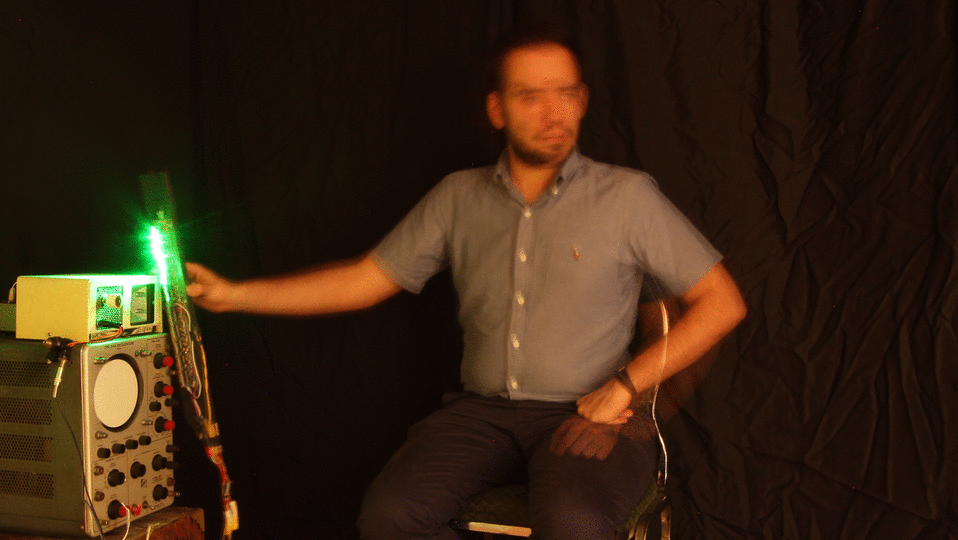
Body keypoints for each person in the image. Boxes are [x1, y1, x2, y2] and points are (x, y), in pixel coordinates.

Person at [186, 26, 746, 540]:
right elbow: (365, 279)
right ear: (497, 109)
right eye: (530, 96)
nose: (553, 112)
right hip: (481, 415)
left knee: (573, 524)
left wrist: (624, 386)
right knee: (389, 519)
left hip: (586, 414)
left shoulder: (627, 196)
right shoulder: (457, 196)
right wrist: (234, 295)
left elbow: (723, 303)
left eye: (566, 94)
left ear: (582, 101)